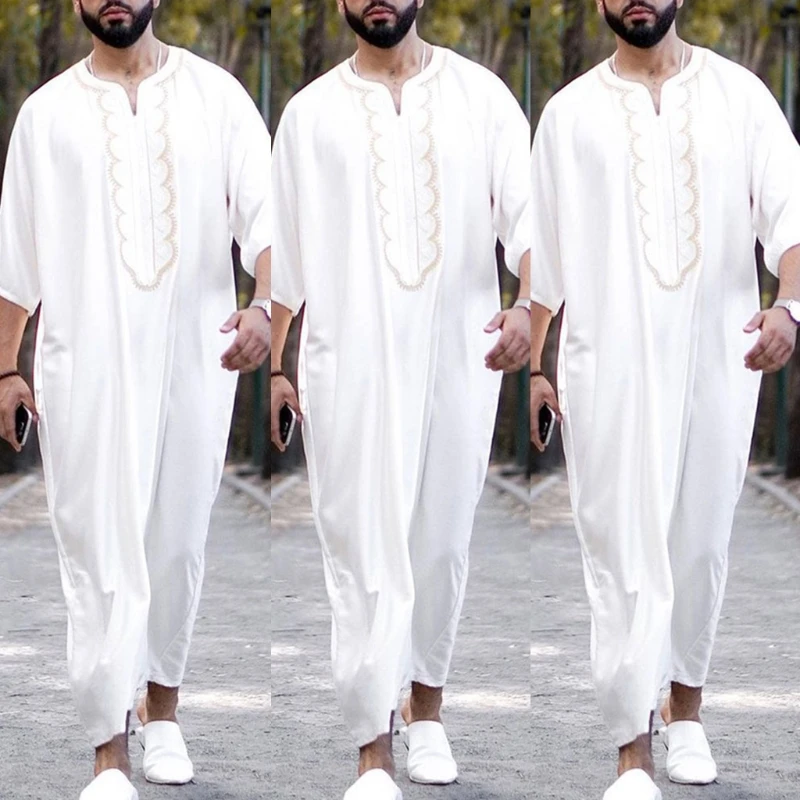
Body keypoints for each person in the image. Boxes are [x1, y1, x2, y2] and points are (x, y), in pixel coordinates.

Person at [529, 0, 800, 798]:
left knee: (699, 542)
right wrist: (538, 368)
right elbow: (544, 256)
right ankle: (631, 751)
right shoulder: (568, 115)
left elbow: (791, 211)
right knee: (620, 549)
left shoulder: (739, 95)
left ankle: (687, 713)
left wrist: (789, 306)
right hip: (605, 364)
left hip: (718, 356)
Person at [0, 1, 271, 797]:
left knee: (176, 543)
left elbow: (269, 220)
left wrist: (264, 306)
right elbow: (15, 260)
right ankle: (108, 749)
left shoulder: (216, 96)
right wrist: (6, 370)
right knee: (97, 550)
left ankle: (165, 713)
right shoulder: (46, 115)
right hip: (83, 367)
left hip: (196, 361)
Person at [270, 1, 531, 797]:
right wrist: (277, 365)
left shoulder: (482, 97)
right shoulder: (310, 114)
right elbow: (285, 256)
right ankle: (372, 748)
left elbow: (532, 223)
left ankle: (428, 713)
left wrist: (527, 307)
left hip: (459, 358)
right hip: (346, 362)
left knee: (440, 542)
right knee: (360, 549)